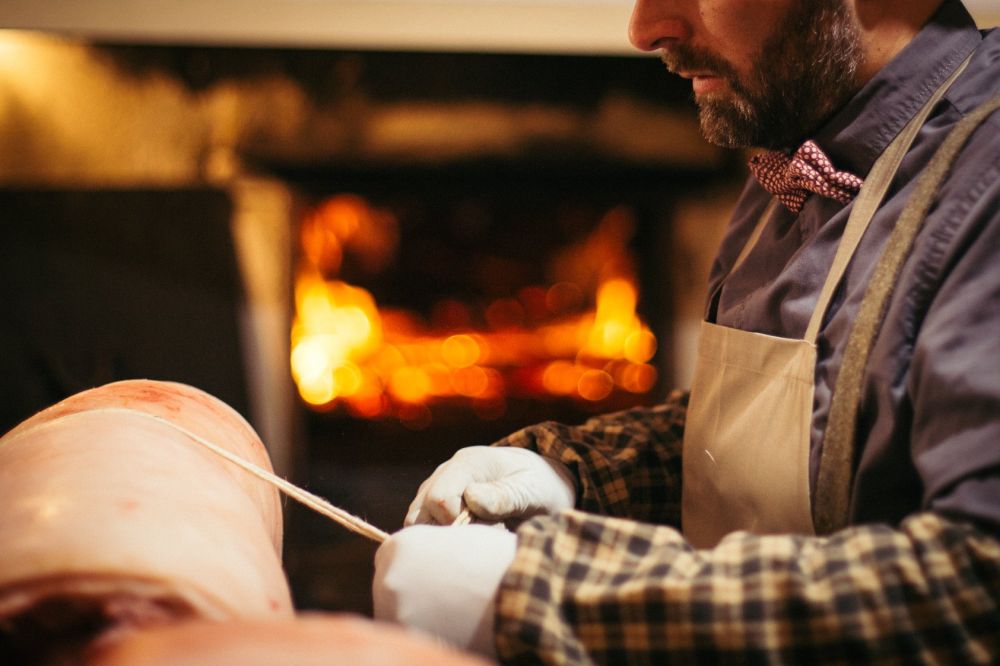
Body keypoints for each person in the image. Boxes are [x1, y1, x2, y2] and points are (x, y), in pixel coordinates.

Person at [373, 0, 1000, 662]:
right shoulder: (794, 146)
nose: (645, 31)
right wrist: (572, 473)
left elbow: (977, 586)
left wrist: (547, 593)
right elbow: (796, 442)